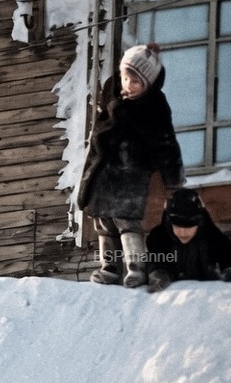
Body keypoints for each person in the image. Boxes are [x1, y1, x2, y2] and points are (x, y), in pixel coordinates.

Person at [78, 43, 185, 288]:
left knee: (127, 222)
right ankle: (110, 268)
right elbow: (98, 134)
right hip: (103, 173)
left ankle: (136, 268)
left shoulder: (153, 107)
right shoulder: (112, 95)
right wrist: (90, 170)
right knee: (104, 222)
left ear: (147, 84)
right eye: (126, 78)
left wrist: (173, 179)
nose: (128, 85)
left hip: (132, 173)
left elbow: (166, 144)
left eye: (136, 82)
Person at [145, 188, 231, 292]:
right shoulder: (160, 238)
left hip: (206, 297)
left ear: (200, 223)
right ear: (168, 223)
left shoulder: (211, 237)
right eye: (177, 226)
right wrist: (158, 272)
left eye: (189, 227)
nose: (182, 232)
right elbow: (154, 258)